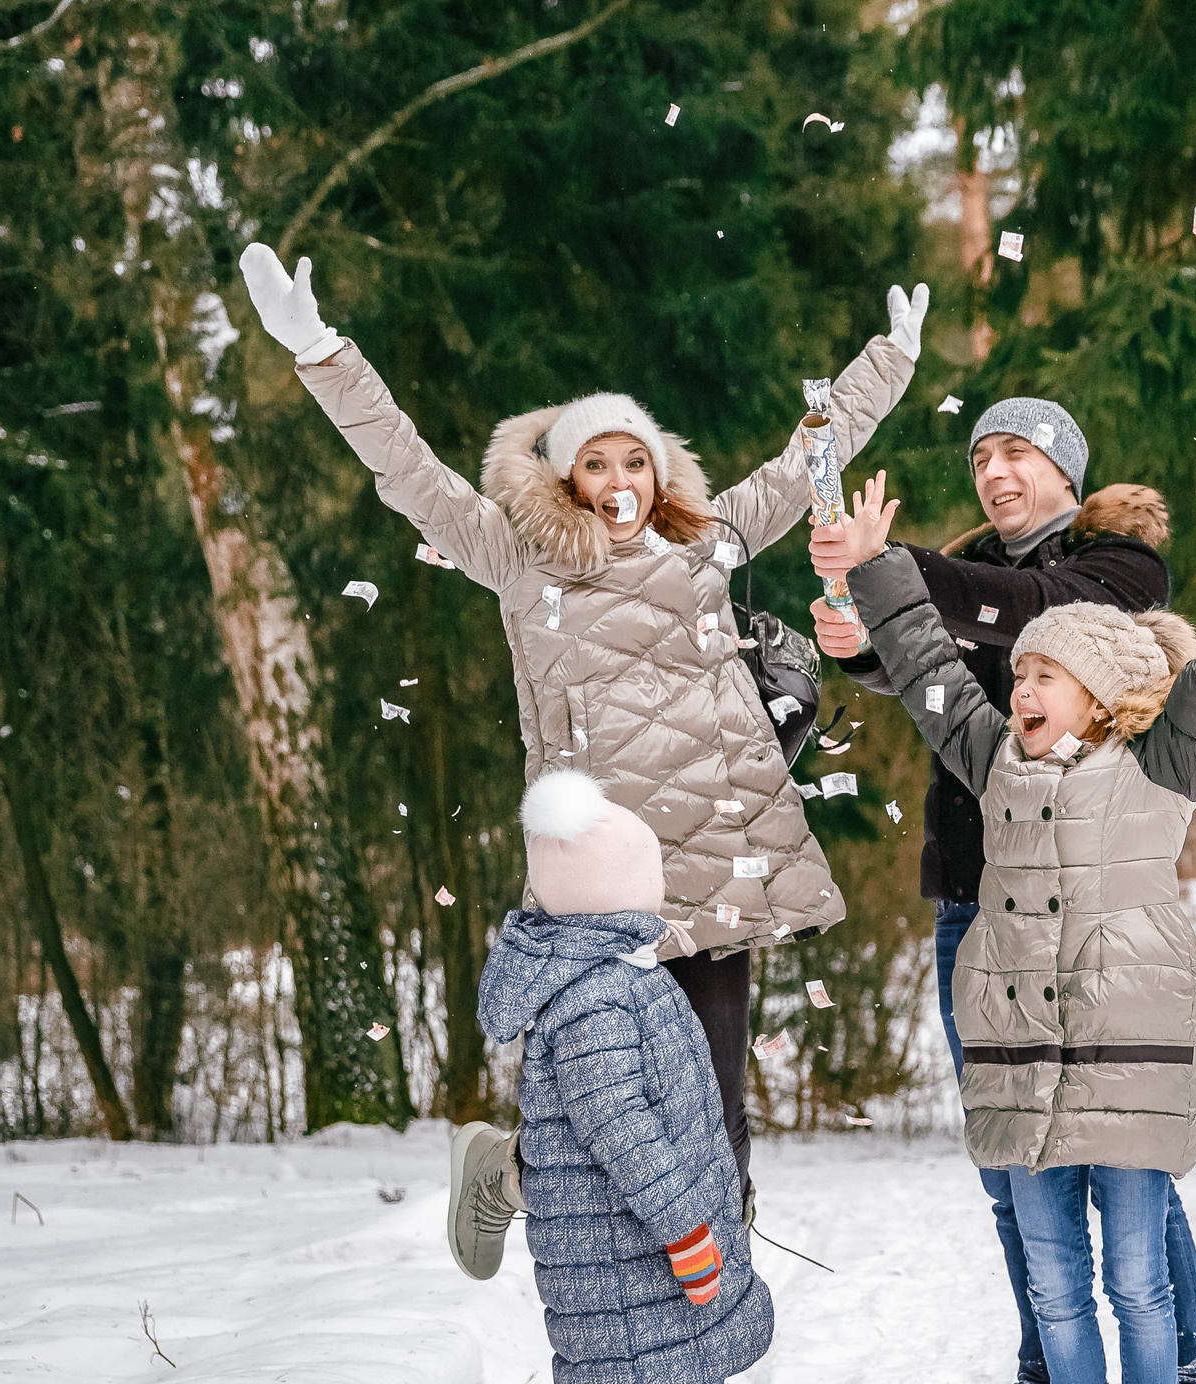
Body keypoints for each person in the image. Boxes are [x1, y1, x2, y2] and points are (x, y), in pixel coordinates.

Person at [232, 242, 925, 1275]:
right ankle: (505, 1178)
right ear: (564, 478)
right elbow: (408, 470)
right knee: (596, 1115)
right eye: (595, 463)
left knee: (713, 1113)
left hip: (715, 871)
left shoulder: (707, 543)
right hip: (599, 889)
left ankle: (707, 1333)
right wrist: (324, 352)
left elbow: (802, 461)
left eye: (634, 460)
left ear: (659, 472)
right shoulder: (515, 559)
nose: (617, 481)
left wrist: (890, 362)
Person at [827, 463, 1196, 1384]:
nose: (1018, 690)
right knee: (1055, 1282)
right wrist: (876, 569)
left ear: (1102, 694)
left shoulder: (1162, 770)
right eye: (1017, 676)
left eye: (1045, 673)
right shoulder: (993, 768)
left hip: (1129, 1062)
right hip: (1020, 1064)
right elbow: (926, 673)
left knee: (1138, 1280)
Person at [807, 401, 1196, 1384]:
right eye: (981, 455)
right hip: (979, 908)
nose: (995, 470)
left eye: (1018, 453)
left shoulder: (1119, 569)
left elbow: (1034, 615)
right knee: (1014, 1172)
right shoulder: (962, 572)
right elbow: (949, 689)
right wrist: (865, 644)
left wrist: (893, 571)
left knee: (1128, 1164)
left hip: (1093, 917)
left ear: (1065, 471)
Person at [477, 769, 774, 1384]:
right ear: (612, 896)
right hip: (630, 1249)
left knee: (693, 1378)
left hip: (656, 1242)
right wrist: (687, 1227)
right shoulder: (592, 1001)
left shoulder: (625, 973)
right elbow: (625, 1133)